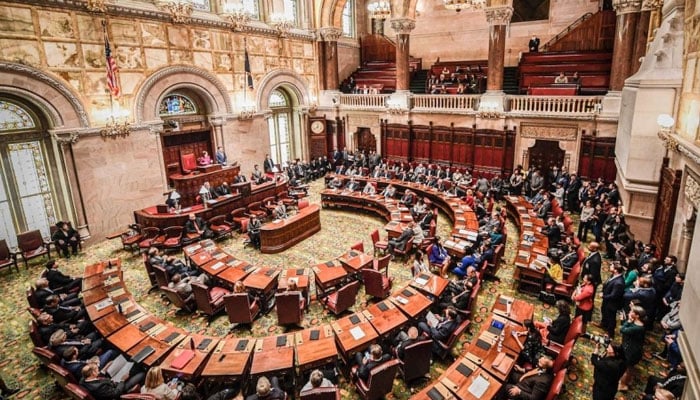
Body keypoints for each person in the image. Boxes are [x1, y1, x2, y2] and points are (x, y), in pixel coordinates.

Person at [618, 306, 647, 392]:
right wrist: (629, 321)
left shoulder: (637, 328)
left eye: (631, 312)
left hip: (632, 351)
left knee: (627, 368)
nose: (629, 312)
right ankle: (627, 381)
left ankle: (623, 384)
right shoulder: (637, 323)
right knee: (628, 367)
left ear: (637, 316)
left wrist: (628, 321)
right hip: (630, 347)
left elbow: (623, 330)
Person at [80, 363, 145, 400]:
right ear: (93, 373)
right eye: (97, 370)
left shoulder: (83, 380)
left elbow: (97, 379)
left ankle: (137, 367)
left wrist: (105, 369)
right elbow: (116, 393)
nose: (99, 370)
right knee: (142, 374)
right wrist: (122, 380)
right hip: (119, 389)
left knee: (132, 369)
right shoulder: (99, 387)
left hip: (111, 382)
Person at [600, 263, 625, 338]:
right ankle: (604, 325)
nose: (609, 267)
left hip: (612, 303)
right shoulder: (613, 275)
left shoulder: (619, 282)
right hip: (607, 301)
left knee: (611, 318)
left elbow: (614, 295)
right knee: (605, 312)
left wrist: (603, 296)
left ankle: (610, 334)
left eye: (611, 266)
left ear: (616, 270)